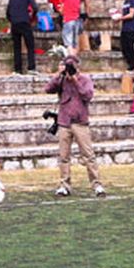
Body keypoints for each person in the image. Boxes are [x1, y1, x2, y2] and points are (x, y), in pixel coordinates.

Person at [44, 55, 105, 198]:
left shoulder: (85, 80)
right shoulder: (62, 80)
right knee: (63, 156)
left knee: (89, 155)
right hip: (64, 122)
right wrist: (58, 75)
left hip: (80, 122)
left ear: (78, 67)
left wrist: (75, 81)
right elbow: (48, 89)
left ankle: (97, 185)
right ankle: (64, 185)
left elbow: (88, 95)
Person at [6, 0, 38, 75]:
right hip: (25, 22)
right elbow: (35, 7)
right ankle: (31, 67)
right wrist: (31, 17)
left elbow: (7, 13)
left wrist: (12, 20)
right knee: (30, 45)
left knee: (17, 47)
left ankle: (17, 69)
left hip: (15, 23)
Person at [115, 0, 134, 71]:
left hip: (132, 28)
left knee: (131, 47)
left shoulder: (133, 0)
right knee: (124, 47)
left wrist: (121, 18)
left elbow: (131, 14)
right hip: (125, 28)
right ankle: (131, 63)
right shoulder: (125, 2)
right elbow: (124, 13)